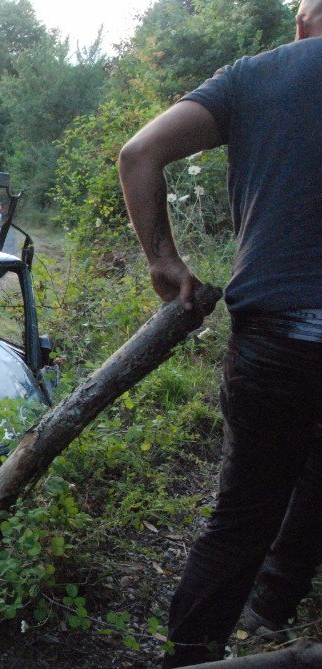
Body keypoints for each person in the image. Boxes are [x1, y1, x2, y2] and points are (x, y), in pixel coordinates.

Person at [117, 2, 322, 665]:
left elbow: (139, 152)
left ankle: (191, 656)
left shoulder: (254, 78)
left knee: (241, 517)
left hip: (275, 338)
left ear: (303, 23)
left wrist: (163, 259)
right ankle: (273, 605)